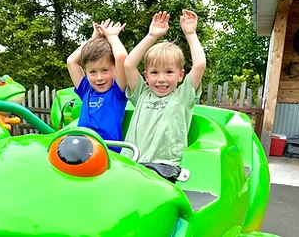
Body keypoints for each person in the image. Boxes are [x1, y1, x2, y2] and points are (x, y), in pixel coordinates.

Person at [122, 10, 206, 165]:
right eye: (154, 72)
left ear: (180, 75)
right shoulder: (142, 94)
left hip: (165, 166)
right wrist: (152, 36)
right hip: (132, 163)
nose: (161, 79)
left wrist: (191, 33)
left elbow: (199, 65)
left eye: (168, 72)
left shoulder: (183, 96)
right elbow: (128, 64)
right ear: (146, 76)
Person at [67, 19, 128, 152]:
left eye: (104, 70)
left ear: (115, 70)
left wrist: (112, 37)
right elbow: (71, 61)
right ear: (86, 72)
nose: (99, 78)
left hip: (107, 151)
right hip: (81, 149)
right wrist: (94, 38)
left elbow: (122, 57)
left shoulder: (117, 92)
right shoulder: (86, 90)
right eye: (93, 72)